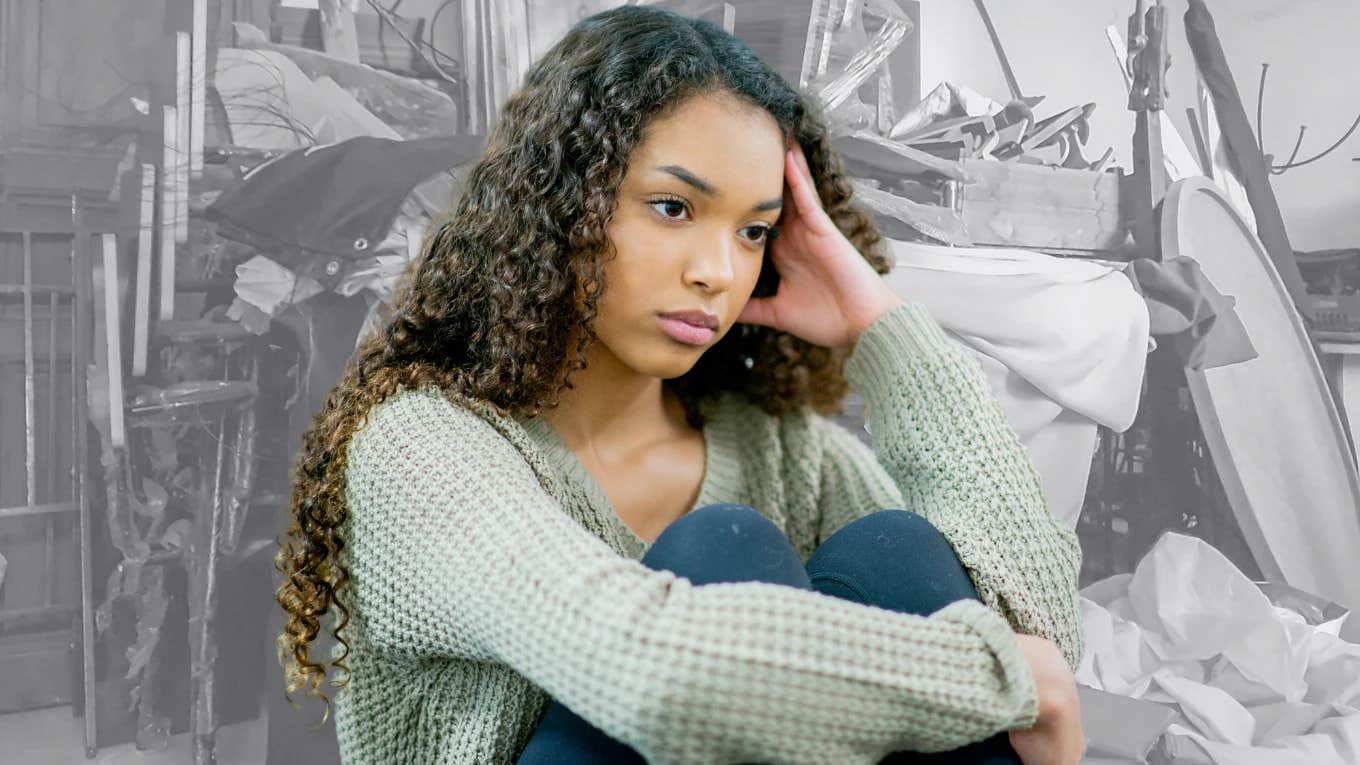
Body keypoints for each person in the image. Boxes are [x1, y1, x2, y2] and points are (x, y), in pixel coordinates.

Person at [274, 6, 1086, 764]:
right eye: (671, 207)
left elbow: (1041, 638)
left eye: (754, 232)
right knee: (724, 548)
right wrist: (992, 676)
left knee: (898, 552)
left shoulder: (775, 448)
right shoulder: (420, 448)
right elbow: (652, 670)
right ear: (564, 205)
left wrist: (883, 328)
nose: (718, 272)